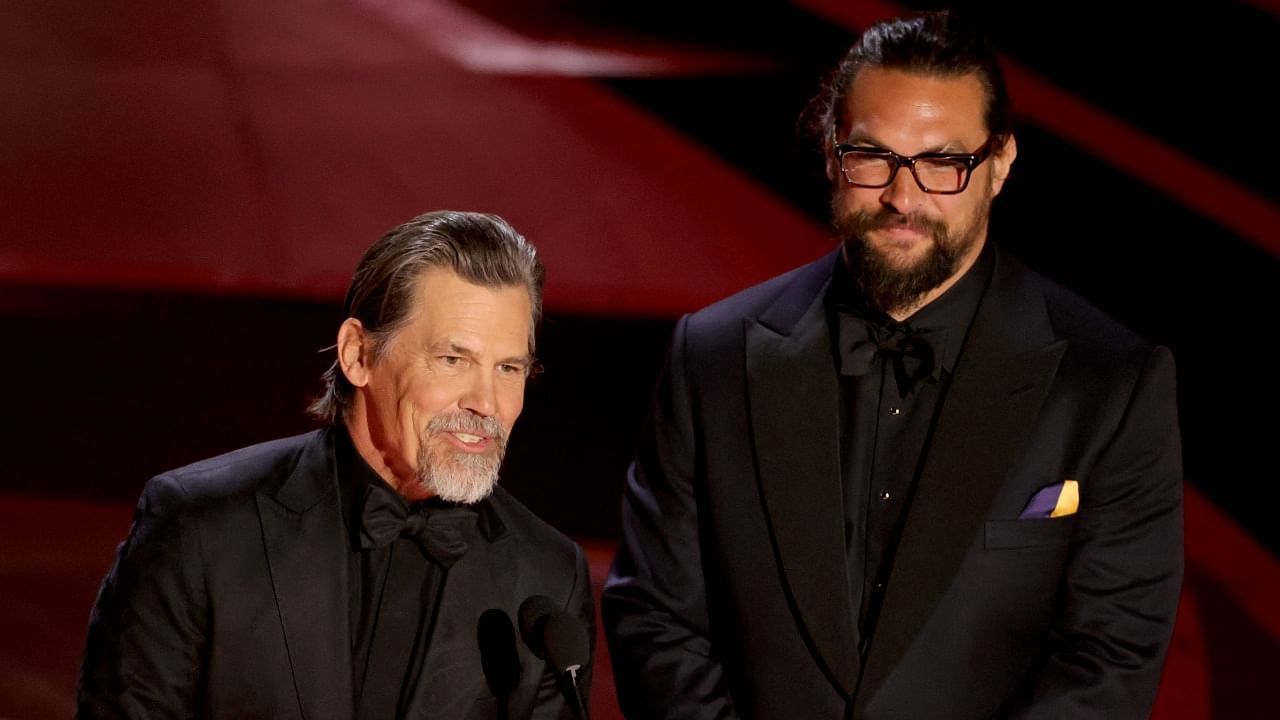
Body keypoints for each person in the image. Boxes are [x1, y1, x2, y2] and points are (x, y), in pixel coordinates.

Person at [602, 10, 1182, 720]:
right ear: (830, 152)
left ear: (999, 164)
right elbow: (655, 620)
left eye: (943, 163)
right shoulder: (713, 359)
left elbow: (1108, 661)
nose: (903, 199)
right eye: (873, 158)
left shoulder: (1110, 384)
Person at [78, 210, 594, 719]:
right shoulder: (200, 528)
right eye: (452, 360)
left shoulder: (548, 578)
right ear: (358, 355)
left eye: (508, 368)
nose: (486, 403)